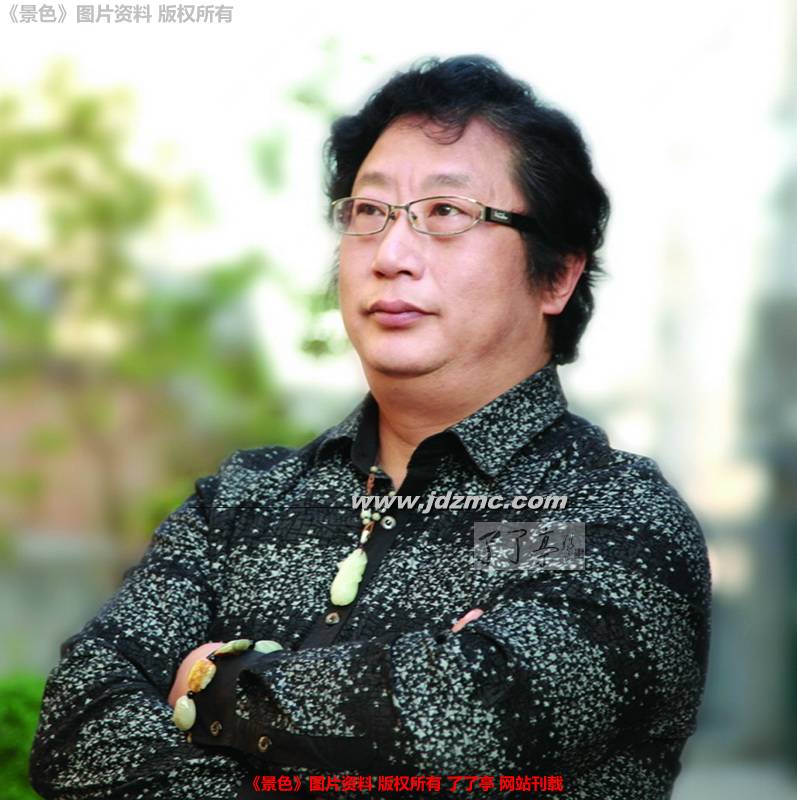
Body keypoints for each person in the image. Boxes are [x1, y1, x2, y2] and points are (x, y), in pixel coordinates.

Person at [29, 55, 711, 800]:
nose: (390, 255)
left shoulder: (604, 515)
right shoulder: (240, 504)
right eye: (368, 212)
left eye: (445, 213)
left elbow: (472, 718)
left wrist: (207, 682)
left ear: (557, 275)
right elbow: (77, 726)